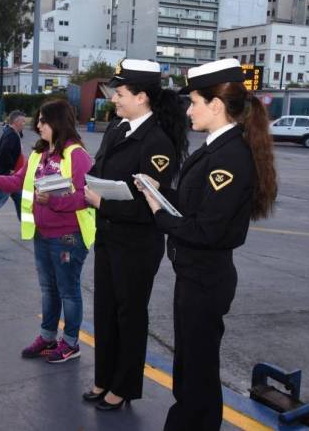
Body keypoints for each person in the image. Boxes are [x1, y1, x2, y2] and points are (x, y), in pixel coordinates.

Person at [135, 58, 277, 430]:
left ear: (216, 106)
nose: (189, 109)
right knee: (191, 368)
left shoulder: (229, 158)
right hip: (195, 276)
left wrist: (157, 211)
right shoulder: (215, 148)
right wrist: (160, 190)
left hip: (205, 278)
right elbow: (193, 201)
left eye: (194, 101)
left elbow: (206, 230)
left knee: (195, 373)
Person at [80, 59, 189, 411]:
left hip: (137, 244)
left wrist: (102, 203)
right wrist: (88, 186)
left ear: (142, 97)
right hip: (110, 237)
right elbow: (99, 171)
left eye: (121, 93)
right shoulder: (117, 129)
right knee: (104, 311)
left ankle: (123, 386)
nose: (114, 99)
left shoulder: (157, 143)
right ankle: (103, 378)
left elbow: (150, 207)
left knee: (129, 315)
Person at [0, 100, 94, 364]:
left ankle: (70, 343)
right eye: (38, 120)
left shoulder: (76, 155)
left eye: (43, 121)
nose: (38, 125)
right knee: (49, 289)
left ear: (58, 123)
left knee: (68, 291)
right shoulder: (39, 154)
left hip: (68, 236)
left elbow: (88, 196)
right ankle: (48, 337)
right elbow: (15, 181)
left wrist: (54, 201)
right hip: (43, 235)